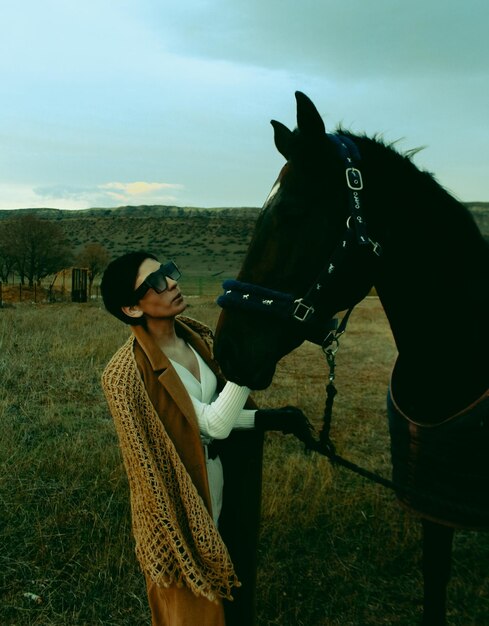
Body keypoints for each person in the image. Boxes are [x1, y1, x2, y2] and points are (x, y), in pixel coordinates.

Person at [100, 251, 315, 626]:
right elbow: (213, 425)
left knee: (229, 584)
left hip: (220, 478)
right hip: (181, 500)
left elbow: (215, 418)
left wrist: (268, 418)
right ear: (132, 309)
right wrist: (249, 366)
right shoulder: (126, 374)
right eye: (154, 283)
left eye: (167, 272)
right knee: (192, 606)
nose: (171, 283)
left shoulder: (196, 337)